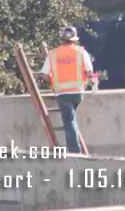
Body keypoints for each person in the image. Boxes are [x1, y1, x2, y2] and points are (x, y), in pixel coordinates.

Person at [40, 26, 93, 154]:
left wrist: (54, 78)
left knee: (69, 122)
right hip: (78, 93)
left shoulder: (53, 54)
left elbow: (45, 75)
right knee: (71, 120)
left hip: (62, 94)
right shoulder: (81, 52)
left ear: (61, 39)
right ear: (74, 40)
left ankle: (75, 152)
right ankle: (75, 149)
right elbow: (90, 72)